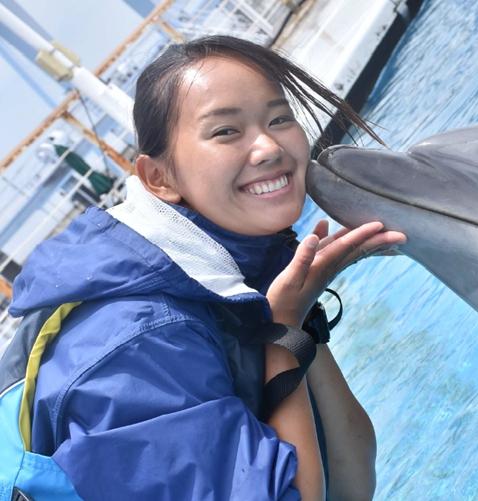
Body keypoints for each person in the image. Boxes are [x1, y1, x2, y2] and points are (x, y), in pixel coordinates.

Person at [1, 35, 405, 500]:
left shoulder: (241, 269)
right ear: (160, 178)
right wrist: (283, 333)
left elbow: (350, 486)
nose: (269, 147)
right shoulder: (139, 343)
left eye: (279, 118)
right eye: (225, 132)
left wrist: (299, 320)